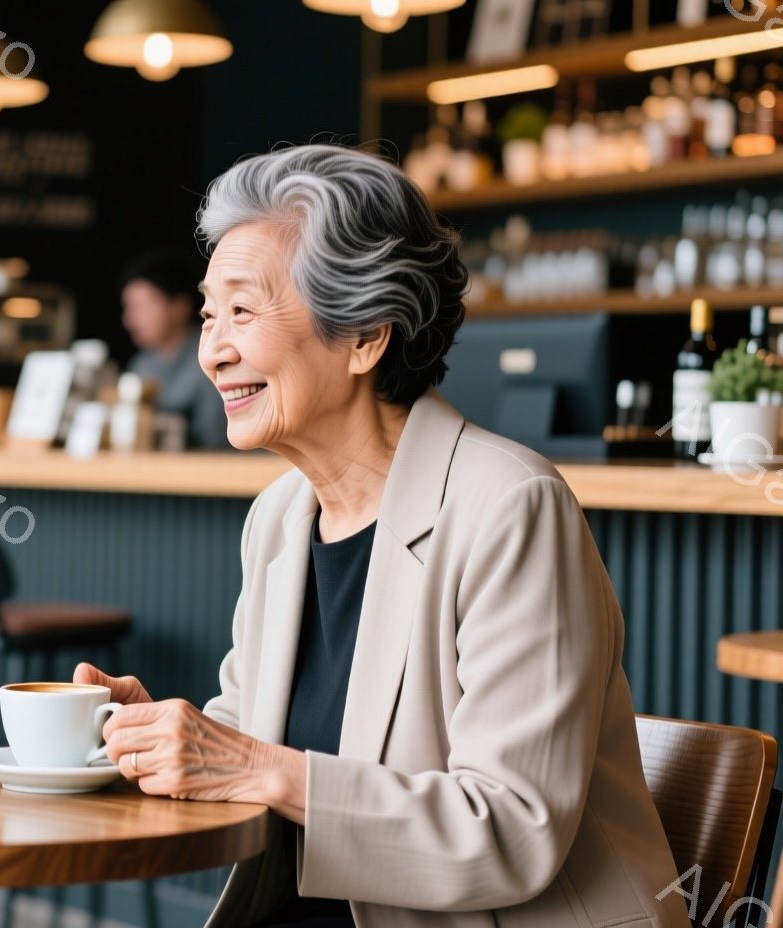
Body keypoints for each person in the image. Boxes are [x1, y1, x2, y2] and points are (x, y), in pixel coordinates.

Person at [77, 145, 687, 927]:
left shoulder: (510, 507)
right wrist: (164, 735)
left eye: (243, 310)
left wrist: (255, 766)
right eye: (207, 314)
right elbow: (257, 739)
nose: (212, 349)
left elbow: (509, 830)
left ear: (366, 335)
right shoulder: (278, 518)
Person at [120, 250, 229, 449]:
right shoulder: (141, 365)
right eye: (129, 307)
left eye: (143, 306)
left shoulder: (210, 360)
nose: (130, 320)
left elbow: (216, 445)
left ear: (180, 307)